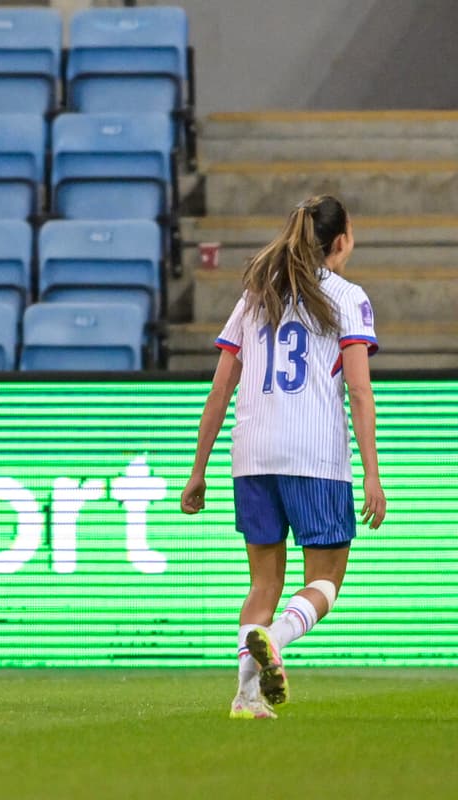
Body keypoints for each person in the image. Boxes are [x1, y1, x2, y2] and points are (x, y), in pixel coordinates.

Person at [179, 195, 386, 720]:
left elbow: (219, 389)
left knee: (262, 582)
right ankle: (275, 639)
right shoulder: (347, 296)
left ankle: (246, 698)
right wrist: (372, 475)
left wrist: (198, 470)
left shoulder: (255, 294)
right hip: (314, 454)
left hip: (251, 453)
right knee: (325, 582)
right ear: (342, 241)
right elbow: (360, 393)